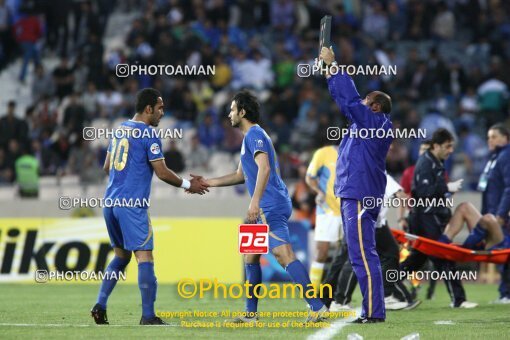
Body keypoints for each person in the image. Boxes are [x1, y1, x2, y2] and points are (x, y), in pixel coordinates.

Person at [193, 90, 328, 323]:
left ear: (242, 112)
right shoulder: (251, 138)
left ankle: (316, 306)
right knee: (251, 257)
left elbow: (264, 168)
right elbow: (240, 175)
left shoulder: (254, 134)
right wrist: (208, 182)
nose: (229, 113)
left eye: (233, 109)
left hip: (269, 204)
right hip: (268, 201)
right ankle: (250, 315)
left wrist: (254, 202)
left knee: (283, 254)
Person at [90, 88, 208, 326]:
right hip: (132, 205)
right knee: (145, 257)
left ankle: (100, 305)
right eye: (160, 108)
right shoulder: (148, 134)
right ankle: (148, 316)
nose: (162, 113)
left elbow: (106, 167)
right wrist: (188, 184)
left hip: (111, 203)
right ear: (148, 109)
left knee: (121, 257)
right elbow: (162, 172)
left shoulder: (119, 129)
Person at [320, 46, 393, 323]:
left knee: (364, 254)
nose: (362, 101)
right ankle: (371, 310)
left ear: (375, 107)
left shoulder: (376, 123)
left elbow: (350, 102)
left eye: (367, 99)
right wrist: (330, 73)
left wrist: (335, 65)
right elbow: (345, 101)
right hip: (355, 194)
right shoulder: (364, 124)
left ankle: (374, 313)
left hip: (362, 195)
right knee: (359, 254)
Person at [400, 128, 478, 308]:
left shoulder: (435, 162)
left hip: (425, 218)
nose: (451, 150)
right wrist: (446, 188)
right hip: (425, 219)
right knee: (443, 256)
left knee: (416, 260)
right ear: (436, 146)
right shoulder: (427, 164)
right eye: (448, 146)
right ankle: (459, 300)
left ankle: (385, 286)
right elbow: (425, 194)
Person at [323, 174, 421, 312]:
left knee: (353, 259)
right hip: (366, 222)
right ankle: (340, 300)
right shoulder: (378, 171)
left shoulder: (364, 170)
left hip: (365, 220)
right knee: (360, 259)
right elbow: (400, 196)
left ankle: (337, 300)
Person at [439, 123, 510, 303]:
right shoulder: (493, 158)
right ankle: (443, 245)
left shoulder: (506, 156)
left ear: (505, 138)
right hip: (491, 216)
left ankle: (506, 294)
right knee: (464, 207)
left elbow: (509, 188)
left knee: (504, 255)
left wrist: (501, 215)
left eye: (494, 136)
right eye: (488, 137)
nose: (489, 140)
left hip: (500, 218)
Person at [305, 139, 341, 289]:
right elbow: (310, 177)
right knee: (321, 253)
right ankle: (312, 293)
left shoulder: (356, 153)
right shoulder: (323, 153)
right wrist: (319, 192)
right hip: (327, 210)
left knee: (346, 256)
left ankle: (338, 297)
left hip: (350, 210)